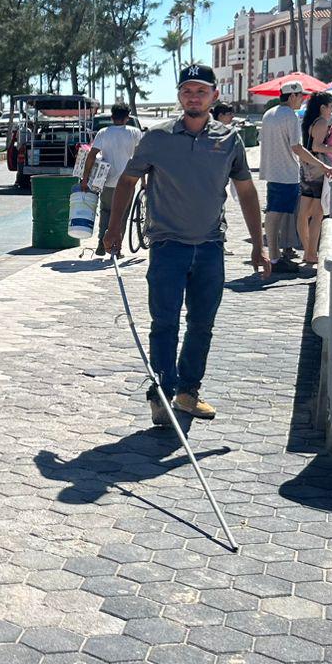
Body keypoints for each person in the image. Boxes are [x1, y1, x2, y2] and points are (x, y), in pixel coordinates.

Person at [103, 65, 270, 428]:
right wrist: (114, 229)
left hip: (211, 246)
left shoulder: (229, 140)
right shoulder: (156, 138)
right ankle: (162, 392)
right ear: (180, 96)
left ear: (214, 95)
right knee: (164, 323)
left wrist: (259, 244)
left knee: (202, 324)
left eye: (201, 91)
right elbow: (127, 181)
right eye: (187, 91)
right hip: (167, 246)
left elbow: (246, 191)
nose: (193, 97)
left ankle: (188, 392)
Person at [292, 91, 332, 268]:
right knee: (318, 213)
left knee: (303, 213)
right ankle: (311, 252)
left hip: (306, 168)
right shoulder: (322, 122)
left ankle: (307, 250)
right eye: (331, 107)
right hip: (318, 169)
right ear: (323, 107)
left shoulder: (309, 121)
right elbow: (317, 146)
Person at [80, 104, 142, 255]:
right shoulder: (134, 132)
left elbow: (91, 155)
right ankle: (116, 248)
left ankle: (102, 243)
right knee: (122, 214)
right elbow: (142, 158)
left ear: (112, 117)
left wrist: (85, 178)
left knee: (106, 212)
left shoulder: (103, 133)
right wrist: (144, 180)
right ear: (127, 117)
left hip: (107, 181)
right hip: (128, 183)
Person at [258, 80, 306, 267]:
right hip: (286, 172)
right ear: (293, 95)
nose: (301, 100)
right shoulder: (291, 116)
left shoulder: (268, 114)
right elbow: (296, 147)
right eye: (300, 96)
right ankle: (275, 258)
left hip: (272, 170)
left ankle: (274, 254)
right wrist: (319, 164)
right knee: (276, 214)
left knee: (273, 212)